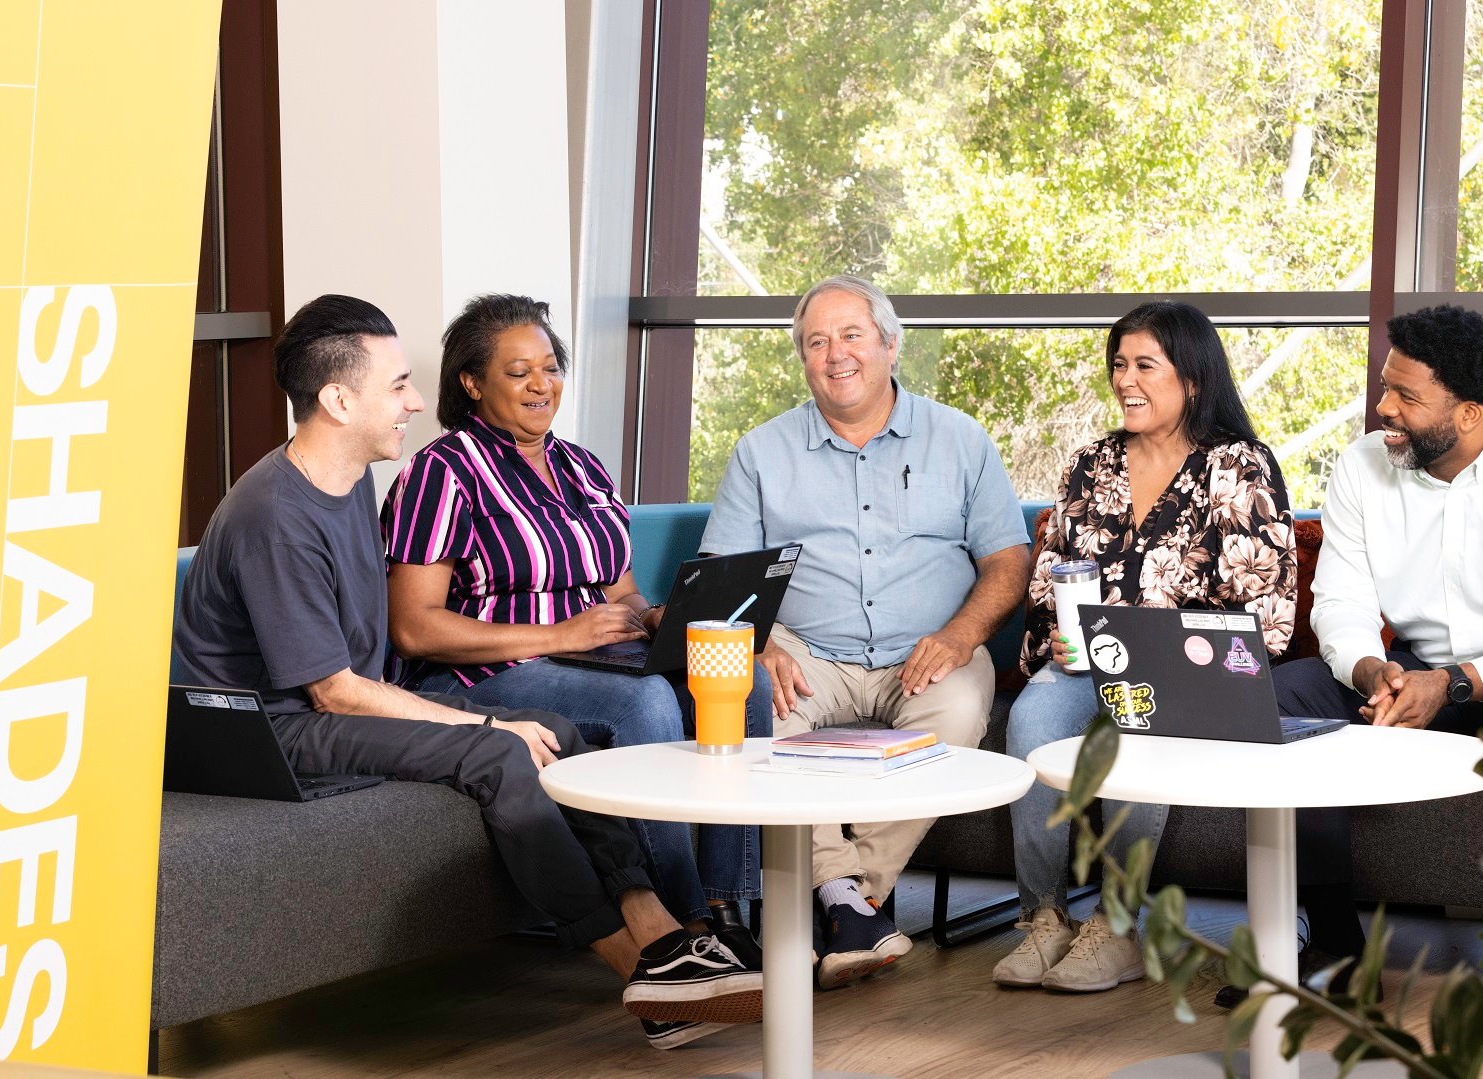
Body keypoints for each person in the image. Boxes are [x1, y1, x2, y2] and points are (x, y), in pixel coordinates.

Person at [172, 294, 760, 1051]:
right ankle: (645, 979)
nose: (418, 401)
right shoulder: (273, 515)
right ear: (338, 398)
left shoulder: (349, 480)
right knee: (506, 748)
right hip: (272, 735)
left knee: (561, 733)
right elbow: (333, 690)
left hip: (330, 710)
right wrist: (484, 718)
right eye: (398, 385)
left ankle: (664, 931)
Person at [1226, 304, 1483, 1008]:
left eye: (1406, 396)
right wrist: (1370, 670)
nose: (1383, 408)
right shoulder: (1363, 468)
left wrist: (1455, 683)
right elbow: (1342, 606)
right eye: (1386, 387)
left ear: (1471, 412)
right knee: (1280, 695)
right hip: (1415, 675)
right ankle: (1334, 950)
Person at [381, 294, 768, 952]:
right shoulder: (440, 473)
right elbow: (414, 629)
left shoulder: (583, 467)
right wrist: (560, 636)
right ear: (471, 383)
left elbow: (618, 591)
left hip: (596, 660)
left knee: (742, 677)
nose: (542, 384)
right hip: (486, 673)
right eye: (518, 371)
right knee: (645, 699)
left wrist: (658, 618)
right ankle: (686, 924)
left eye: (551, 366)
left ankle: (731, 905)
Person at [700, 275, 1032, 989]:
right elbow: (720, 575)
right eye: (816, 341)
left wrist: (961, 633)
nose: (835, 354)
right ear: (802, 360)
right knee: (758, 719)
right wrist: (760, 646)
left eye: (851, 335)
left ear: (889, 343)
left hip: (930, 650)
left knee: (960, 713)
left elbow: (1009, 559)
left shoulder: (960, 438)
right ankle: (849, 905)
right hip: (805, 653)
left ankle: (842, 897)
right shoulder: (761, 451)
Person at [994, 301, 1298, 993]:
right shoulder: (1091, 462)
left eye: (1144, 366)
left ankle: (1118, 925)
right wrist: (1059, 639)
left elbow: (1264, 600)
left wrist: (1172, 651)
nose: (1126, 379)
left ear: (1192, 378)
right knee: (1032, 719)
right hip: (1090, 660)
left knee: (1138, 718)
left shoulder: (1238, 466)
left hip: (1185, 673)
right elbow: (1050, 574)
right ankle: (1042, 918)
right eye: (1119, 365)